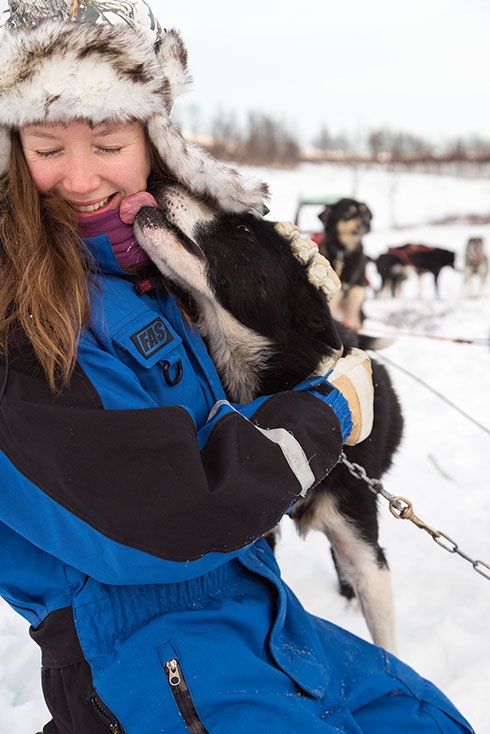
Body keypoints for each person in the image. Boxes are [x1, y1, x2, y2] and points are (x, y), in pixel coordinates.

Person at [0, 2, 474, 733]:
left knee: (431, 718)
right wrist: (334, 411)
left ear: (155, 144)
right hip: (139, 649)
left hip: (258, 609)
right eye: (47, 145)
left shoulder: (149, 282)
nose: (82, 177)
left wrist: (286, 294)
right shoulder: (20, 318)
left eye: (107, 140)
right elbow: (170, 519)